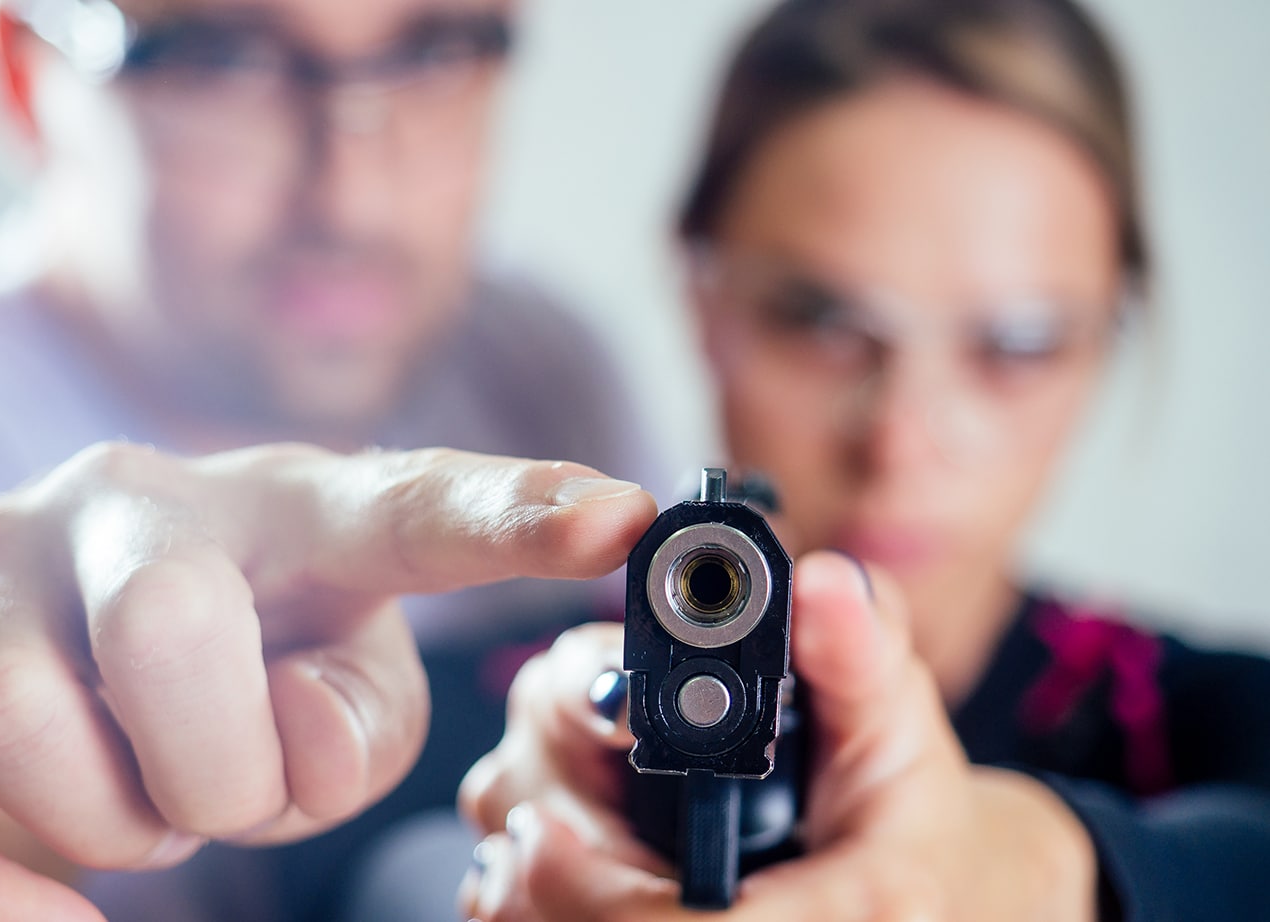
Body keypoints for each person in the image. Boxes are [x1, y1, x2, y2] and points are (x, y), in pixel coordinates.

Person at [458, 1, 1270, 919]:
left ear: (1104, 345)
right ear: (701, 297)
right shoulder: (509, 704)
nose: (896, 443)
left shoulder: (1218, 721)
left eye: (1018, 345)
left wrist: (1045, 868)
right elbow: (375, 864)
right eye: (820, 325)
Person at [0, 0, 666, 919]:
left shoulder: (543, 367)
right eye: (225, 59)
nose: (351, 196)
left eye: (434, 50)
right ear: (26, 76)